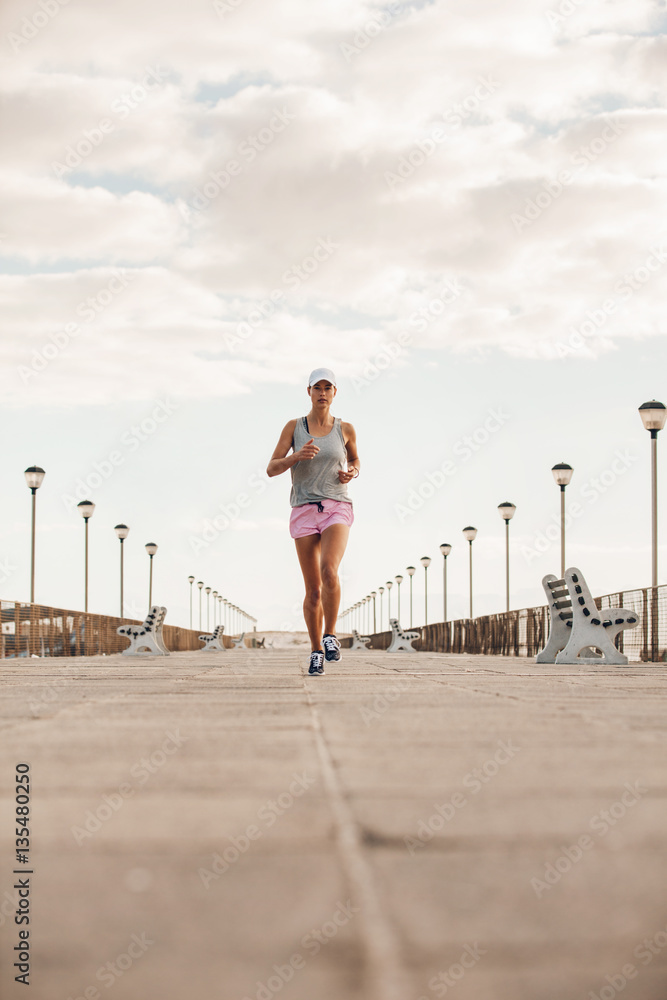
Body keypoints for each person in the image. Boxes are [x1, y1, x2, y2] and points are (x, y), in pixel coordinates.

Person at [266, 368, 360, 675]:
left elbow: (355, 459)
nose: (322, 392)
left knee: (329, 570)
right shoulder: (294, 427)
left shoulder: (345, 429)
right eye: (316, 387)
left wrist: (353, 472)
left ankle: (330, 635)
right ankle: (316, 650)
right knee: (314, 590)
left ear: (334, 393)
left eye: (327, 387)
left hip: (337, 505)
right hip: (304, 507)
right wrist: (296, 457)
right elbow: (271, 468)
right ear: (308, 392)